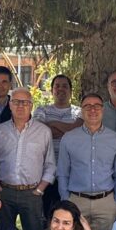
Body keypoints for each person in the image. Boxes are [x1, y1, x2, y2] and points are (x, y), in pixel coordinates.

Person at [57, 92, 116, 230]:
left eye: (97, 106)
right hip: (77, 201)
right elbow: (62, 173)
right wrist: (66, 199)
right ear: (81, 110)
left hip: (106, 203)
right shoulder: (69, 138)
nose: (92, 109)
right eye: (87, 106)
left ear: (103, 110)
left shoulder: (115, 139)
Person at [0, 87, 55, 230]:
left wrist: (40, 189)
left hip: (32, 194)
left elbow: (50, 165)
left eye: (25, 102)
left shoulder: (44, 132)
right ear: (10, 105)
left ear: (31, 105)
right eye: (16, 102)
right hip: (4, 193)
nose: (20, 106)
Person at [34, 74, 83, 212]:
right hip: (45, 172)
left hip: (71, 172)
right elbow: (39, 133)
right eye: (57, 86)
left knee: (68, 212)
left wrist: (52, 124)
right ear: (51, 90)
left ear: (71, 91)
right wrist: (69, 129)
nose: (61, 89)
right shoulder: (41, 110)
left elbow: (77, 132)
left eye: (65, 86)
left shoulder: (79, 112)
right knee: (45, 213)